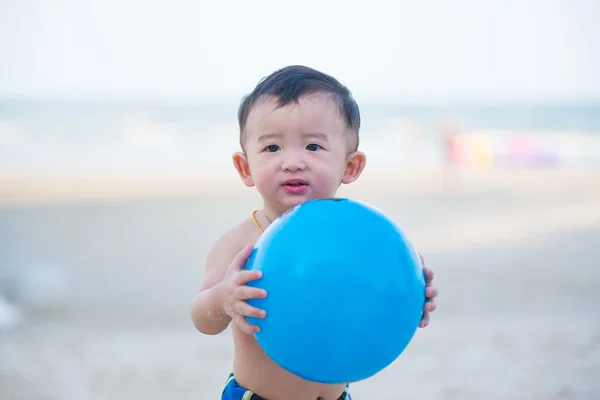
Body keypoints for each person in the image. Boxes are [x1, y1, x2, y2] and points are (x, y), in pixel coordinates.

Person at [190, 65, 439, 400]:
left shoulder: (359, 240)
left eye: (313, 147)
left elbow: (373, 297)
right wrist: (224, 298)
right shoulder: (240, 243)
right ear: (245, 167)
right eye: (272, 148)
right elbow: (202, 318)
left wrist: (409, 299)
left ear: (350, 166)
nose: (292, 161)